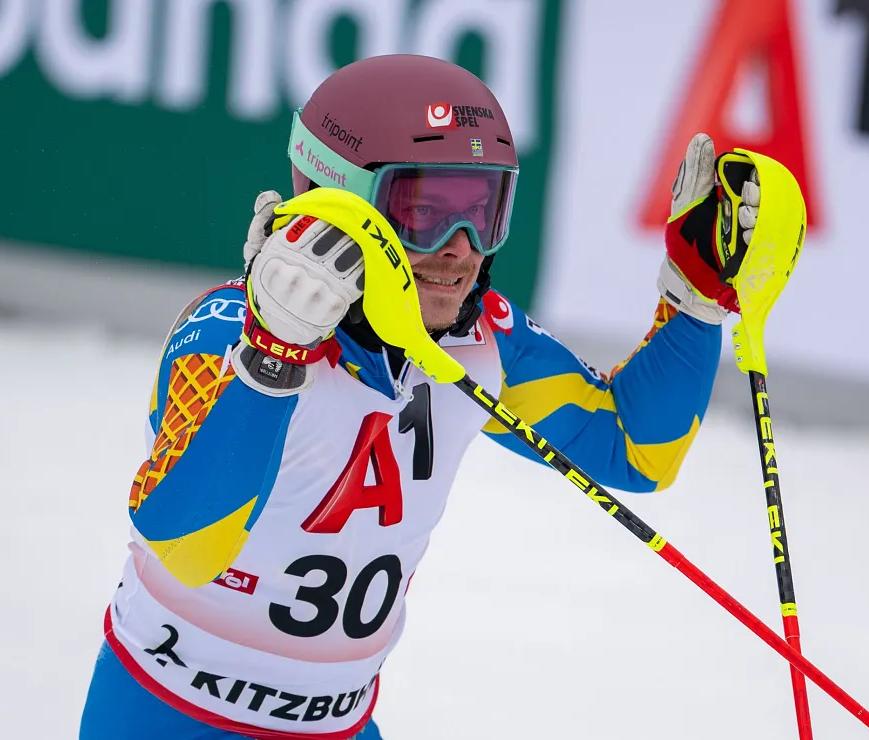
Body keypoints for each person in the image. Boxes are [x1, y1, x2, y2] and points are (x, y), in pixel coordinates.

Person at [78, 53, 760, 740]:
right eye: (424, 211)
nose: (460, 249)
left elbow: (633, 451)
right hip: (169, 716)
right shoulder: (222, 333)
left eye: (482, 211)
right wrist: (272, 356)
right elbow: (186, 546)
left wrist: (697, 303)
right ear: (343, 200)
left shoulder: (481, 342)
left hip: (337, 725)